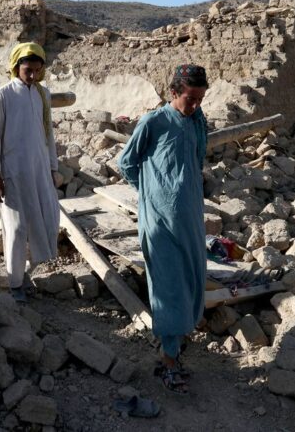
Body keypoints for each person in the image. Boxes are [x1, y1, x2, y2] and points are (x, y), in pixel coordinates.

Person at [117, 64, 209, 394]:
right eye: (190, 98)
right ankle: (169, 362)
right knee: (168, 286)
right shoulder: (153, 122)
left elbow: (197, 159)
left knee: (192, 278)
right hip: (160, 221)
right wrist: (152, 191)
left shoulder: (198, 120)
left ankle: (173, 346)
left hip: (190, 218)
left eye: (200, 98)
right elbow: (126, 162)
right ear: (173, 93)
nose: (196, 105)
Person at [0, 42, 60, 303]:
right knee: (16, 229)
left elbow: (48, 135)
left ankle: (27, 271)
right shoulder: (3, 95)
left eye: (37, 71)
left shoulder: (43, 95)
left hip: (39, 171)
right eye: (28, 70)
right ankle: (15, 284)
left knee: (47, 224)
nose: (32, 76)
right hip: (13, 172)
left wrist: (53, 168)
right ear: (16, 67)